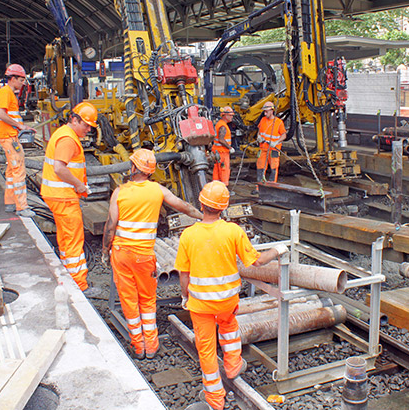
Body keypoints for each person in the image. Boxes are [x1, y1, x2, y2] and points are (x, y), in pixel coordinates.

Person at [175, 181, 287, 410]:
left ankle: (215, 400)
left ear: (201, 203)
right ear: (224, 207)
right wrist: (278, 250)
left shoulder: (188, 235)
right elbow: (257, 261)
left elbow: (183, 275)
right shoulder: (233, 231)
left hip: (200, 305)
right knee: (228, 330)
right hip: (227, 301)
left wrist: (185, 296)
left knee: (205, 348)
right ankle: (233, 365)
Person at [102, 149, 203, 359]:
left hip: (121, 254)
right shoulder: (158, 190)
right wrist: (204, 216)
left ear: (133, 168)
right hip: (144, 256)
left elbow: (110, 226)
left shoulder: (119, 192)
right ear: (150, 171)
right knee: (147, 300)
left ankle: (138, 347)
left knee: (129, 300)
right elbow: (184, 207)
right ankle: (152, 346)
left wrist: (105, 250)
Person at [41, 102, 101, 297]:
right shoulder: (67, 139)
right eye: (86, 125)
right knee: (74, 239)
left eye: (91, 126)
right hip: (63, 197)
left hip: (59, 196)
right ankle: (80, 285)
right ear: (74, 120)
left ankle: (68, 275)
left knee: (67, 238)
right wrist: (79, 185)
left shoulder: (65, 134)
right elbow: (59, 168)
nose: (88, 129)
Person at [0, 64, 36, 217]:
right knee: (19, 171)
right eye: (21, 80)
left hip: (10, 135)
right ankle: (22, 207)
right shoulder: (5, 92)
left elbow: (9, 116)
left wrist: (21, 127)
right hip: (9, 137)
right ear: (12, 79)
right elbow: (2, 114)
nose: (23, 83)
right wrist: (19, 125)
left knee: (12, 172)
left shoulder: (9, 93)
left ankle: (10, 203)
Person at [256, 101, 286, 183]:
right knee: (260, 168)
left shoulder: (278, 122)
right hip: (263, 148)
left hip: (273, 149)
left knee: (273, 168)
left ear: (272, 110)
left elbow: (284, 135)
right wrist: (259, 137)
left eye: (266, 111)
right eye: (264, 111)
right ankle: (259, 187)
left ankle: (272, 186)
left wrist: (276, 142)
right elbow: (259, 131)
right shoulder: (262, 120)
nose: (265, 114)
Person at [212, 106, 235, 185]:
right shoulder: (223, 126)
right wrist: (230, 148)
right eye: (231, 115)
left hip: (217, 152)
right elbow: (221, 139)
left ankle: (216, 188)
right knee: (224, 171)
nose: (232, 117)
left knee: (217, 171)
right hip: (222, 153)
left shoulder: (220, 124)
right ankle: (224, 189)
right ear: (225, 115)